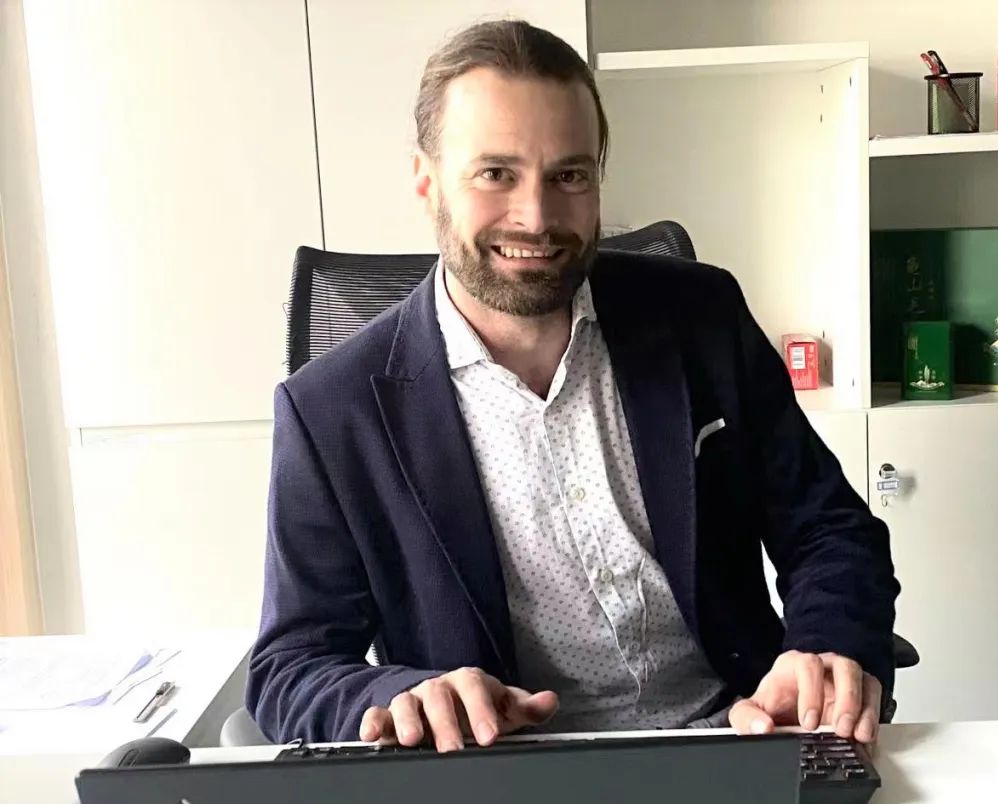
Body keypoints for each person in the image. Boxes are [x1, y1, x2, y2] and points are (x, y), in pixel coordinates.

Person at [246, 19, 900, 751]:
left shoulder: (701, 317)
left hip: (739, 736)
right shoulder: (330, 411)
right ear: (427, 180)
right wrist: (393, 697)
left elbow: (828, 527)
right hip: (495, 776)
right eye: (496, 174)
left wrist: (825, 650)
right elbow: (289, 668)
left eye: (569, 175)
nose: (537, 217)